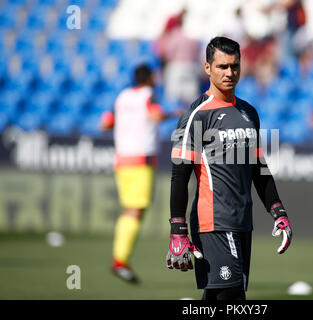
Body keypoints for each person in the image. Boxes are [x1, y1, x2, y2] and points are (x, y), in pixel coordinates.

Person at [165, 36, 293, 300]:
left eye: (234, 66)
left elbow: (258, 167)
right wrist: (178, 229)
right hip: (213, 222)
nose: (229, 73)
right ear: (207, 68)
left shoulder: (249, 113)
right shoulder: (197, 115)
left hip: (243, 221)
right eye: (222, 66)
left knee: (218, 297)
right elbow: (180, 175)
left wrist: (277, 210)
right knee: (233, 297)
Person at [100, 64, 178, 284]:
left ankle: (120, 259)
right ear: (149, 78)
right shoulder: (149, 95)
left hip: (121, 159)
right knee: (134, 211)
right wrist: (175, 113)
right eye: (155, 76)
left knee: (131, 209)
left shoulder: (122, 97)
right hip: (140, 160)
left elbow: (105, 123)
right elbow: (155, 115)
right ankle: (120, 261)